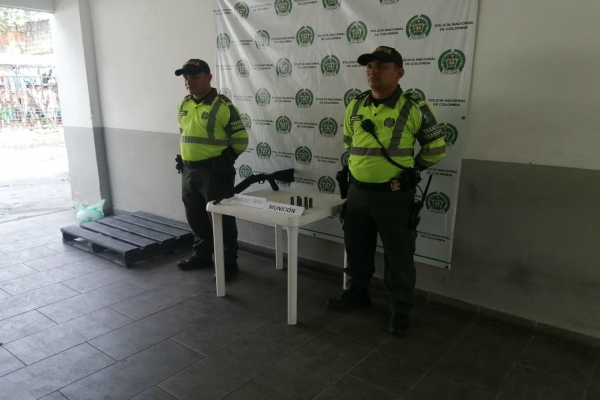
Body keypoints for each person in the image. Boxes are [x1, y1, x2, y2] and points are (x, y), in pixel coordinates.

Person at [328, 46, 447, 336]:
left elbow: (436, 148)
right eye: (369, 66)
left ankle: (400, 309)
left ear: (400, 72)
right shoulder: (355, 105)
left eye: (381, 66)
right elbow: (349, 143)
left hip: (394, 196)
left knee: (399, 254)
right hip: (357, 193)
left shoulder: (414, 107)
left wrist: (411, 172)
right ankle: (358, 293)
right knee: (357, 247)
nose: (373, 71)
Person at [174, 59, 249, 279]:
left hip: (214, 174)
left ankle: (229, 264)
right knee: (195, 216)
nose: (189, 81)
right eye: (186, 77)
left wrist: (227, 159)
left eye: (194, 77)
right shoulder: (184, 105)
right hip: (188, 171)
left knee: (222, 218)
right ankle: (202, 256)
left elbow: (241, 140)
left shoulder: (222, 106)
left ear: (208, 77)